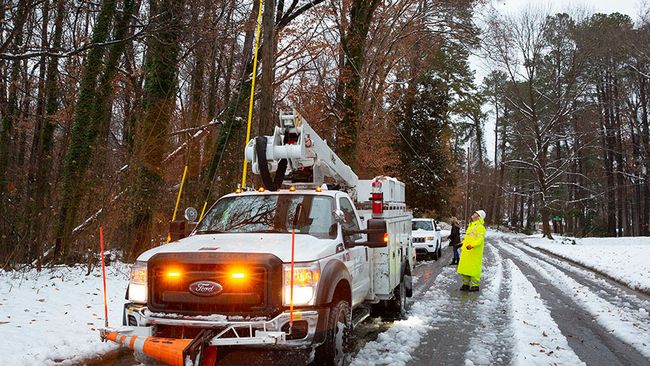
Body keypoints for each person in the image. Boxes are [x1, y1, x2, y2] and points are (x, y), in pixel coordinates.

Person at [457, 210, 486, 292]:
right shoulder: (471, 226)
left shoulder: (480, 227)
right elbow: (468, 238)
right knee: (465, 268)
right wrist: (462, 243)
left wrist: (472, 245)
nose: (473, 215)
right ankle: (466, 284)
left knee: (474, 268)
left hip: (474, 252)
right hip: (467, 251)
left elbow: (480, 240)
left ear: (479, 216)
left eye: (475, 214)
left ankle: (475, 285)